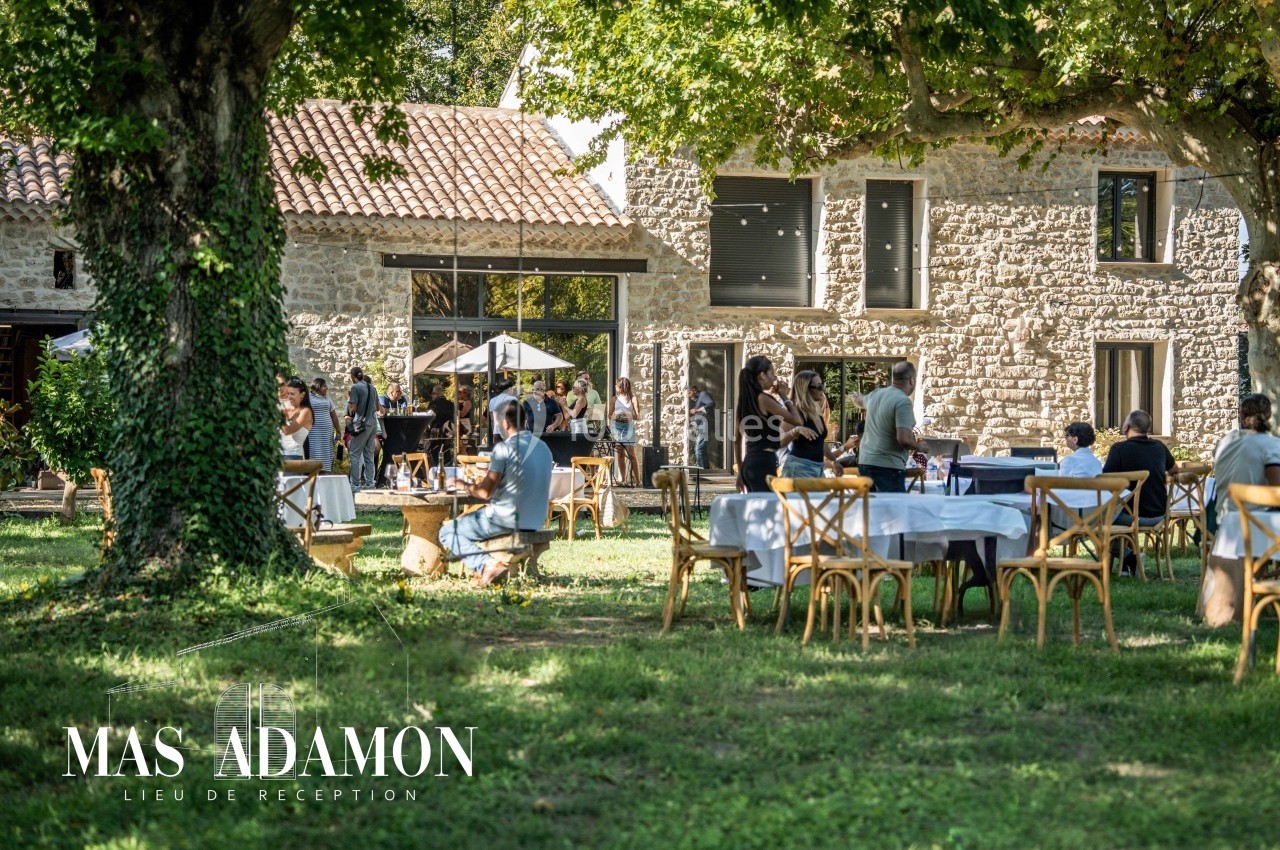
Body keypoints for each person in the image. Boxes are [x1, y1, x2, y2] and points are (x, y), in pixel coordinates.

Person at [441, 401, 553, 588]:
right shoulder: (543, 448)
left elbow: (485, 492)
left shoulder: (504, 449)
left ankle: (486, 565)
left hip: (506, 518)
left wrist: (463, 484)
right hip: (536, 519)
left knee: (448, 531)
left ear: (505, 423)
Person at [1102, 409, 1176, 575]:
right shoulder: (1159, 447)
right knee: (1114, 515)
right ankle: (1125, 568)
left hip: (1131, 517)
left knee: (1095, 519)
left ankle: (1129, 557)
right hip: (1159, 515)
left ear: (1127, 427)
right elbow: (1174, 470)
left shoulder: (1119, 449)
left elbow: (1104, 481)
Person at [734, 355, 804, 493]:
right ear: (762, 375)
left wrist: (740, 471)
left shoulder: (743, 403)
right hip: (763, 461)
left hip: (750, 462)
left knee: (757, 506)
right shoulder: (764, 399)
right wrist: (784, 395)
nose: (774, 378)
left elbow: (737, 440)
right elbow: (797, 420)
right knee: (769, 507)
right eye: (772, 373)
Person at [857, 361, 927, 493]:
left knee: (871, 509)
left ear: (893, 378)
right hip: (887, 466)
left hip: (865, 462)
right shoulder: (903, 401)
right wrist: (920, 447)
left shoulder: (876, 394)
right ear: (912, 380)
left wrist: (855, 397)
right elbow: (904, 439)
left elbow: (860, 400)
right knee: (893, 511)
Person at [1211, 393, 1280, 527]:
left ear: (1241, 415)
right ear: (1269, 415)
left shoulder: (1224, 443)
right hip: (1260, 527)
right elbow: (1277, 494)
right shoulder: (1272, 445)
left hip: (1224, 525)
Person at [780, 370, 844, 478]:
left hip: (818, 467)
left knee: (824, 495)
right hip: (800, 467)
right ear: (806, 389)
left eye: (822, 386)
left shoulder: (815, 410)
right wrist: (796, 431)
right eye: (819, 387)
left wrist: (834, 461)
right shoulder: (795, 410)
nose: (822, 390)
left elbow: (819, 441)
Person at [345, 366, 379, 490]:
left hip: (361, 423)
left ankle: (355, 484)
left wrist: (349, 401)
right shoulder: (372, 388)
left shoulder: (355, 387)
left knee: (354, 454)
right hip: (373, 423)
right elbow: (377, 407)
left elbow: (352, 408)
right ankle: (370, 483)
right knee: (369, 454)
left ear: (352, 377)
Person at [610, 377, 641, 486]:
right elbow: (609, 415)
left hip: (628, 427)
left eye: (617, 385)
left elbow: (637, 416)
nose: (615, 387)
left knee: (631, 453)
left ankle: (638, 480)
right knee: (620, 453)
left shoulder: (633, 398)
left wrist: (628, 415)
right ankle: (623, 480)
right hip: (617, 426)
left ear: (622, 387)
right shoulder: (614, 399)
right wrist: (615, 415)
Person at [307, 377, 341, 472]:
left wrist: (338, 431)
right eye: (324, 386)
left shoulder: (328, 399)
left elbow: (334, 416)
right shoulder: (308, 397)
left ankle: (324, 473)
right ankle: (313, 474)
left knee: (326, 454)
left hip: (327, 433)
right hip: (313, 432)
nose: (327, 388)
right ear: (318, 386)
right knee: (314, 452)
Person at [280, 377, 314, 462]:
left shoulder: (305, 412)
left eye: (292, 394)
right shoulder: (286, 410)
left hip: (292, 456)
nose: (289, 397)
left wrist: (280, 413)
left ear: (302, 395)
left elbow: (287, 431)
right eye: (287, 393)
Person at [688, 384, 714, 469]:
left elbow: (711, 403)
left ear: (694, 391)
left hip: (705, 423)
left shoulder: (703, 394)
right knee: (702, 449)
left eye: (689, 393)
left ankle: (702, 471)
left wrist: (697, 410)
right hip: (701, 425)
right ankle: (706, 470)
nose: (688, 395)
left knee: (699, 449)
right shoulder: (696, 400)